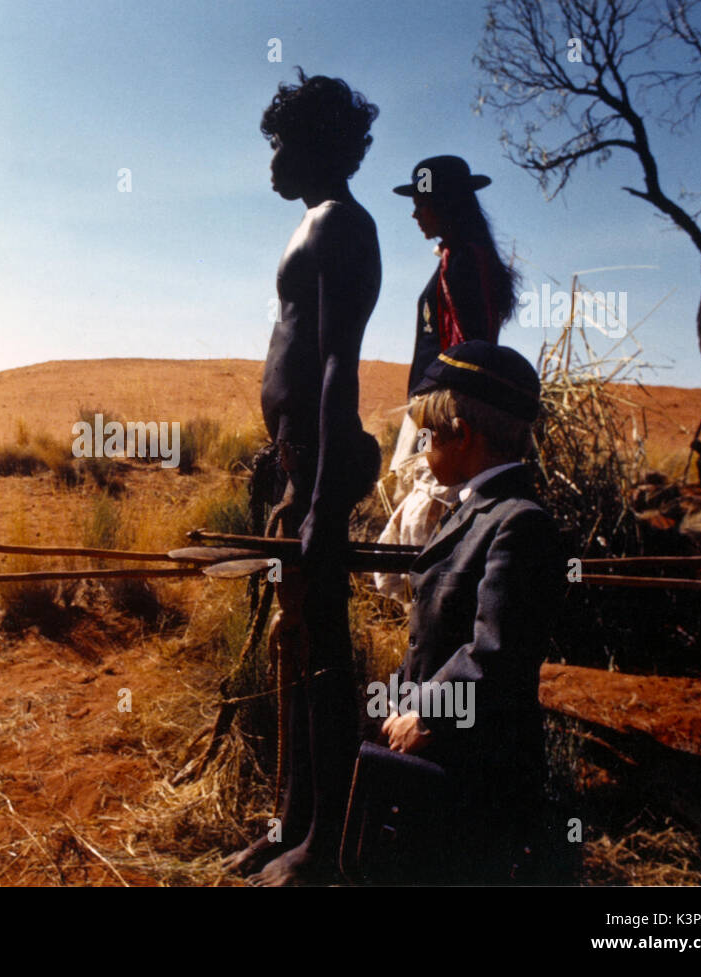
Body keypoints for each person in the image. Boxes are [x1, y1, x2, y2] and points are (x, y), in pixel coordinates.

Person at [225, 68, 381, 886]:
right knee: (298, 649)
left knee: (325, 653)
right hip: (297, 466)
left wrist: (319, 501)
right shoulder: (317, 224)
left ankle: (325, 841)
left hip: (320, 466)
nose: (273, 159)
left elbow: (335, 369)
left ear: (321, 143)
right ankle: (291, 819)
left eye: (283, 142)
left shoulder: (344, 228)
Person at [379, 340, 564, 883]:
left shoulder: (518, 523)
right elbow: (434, 638)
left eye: (426, 435)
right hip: (443, 755)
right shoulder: (470, 510)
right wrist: (397, 698)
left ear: (461, 432)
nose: (421, 449)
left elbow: (497, 654)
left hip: (477, 769)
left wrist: (429, 714)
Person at [387, 155, 520, 473]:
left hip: (441, 411)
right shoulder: (461, 257)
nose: (414, 214)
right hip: (431, 408)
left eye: (422, 204)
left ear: (446, 204)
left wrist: (443, 422)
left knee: (423, 486)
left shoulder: (464, 261)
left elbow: (469, 344)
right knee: (414, 483)